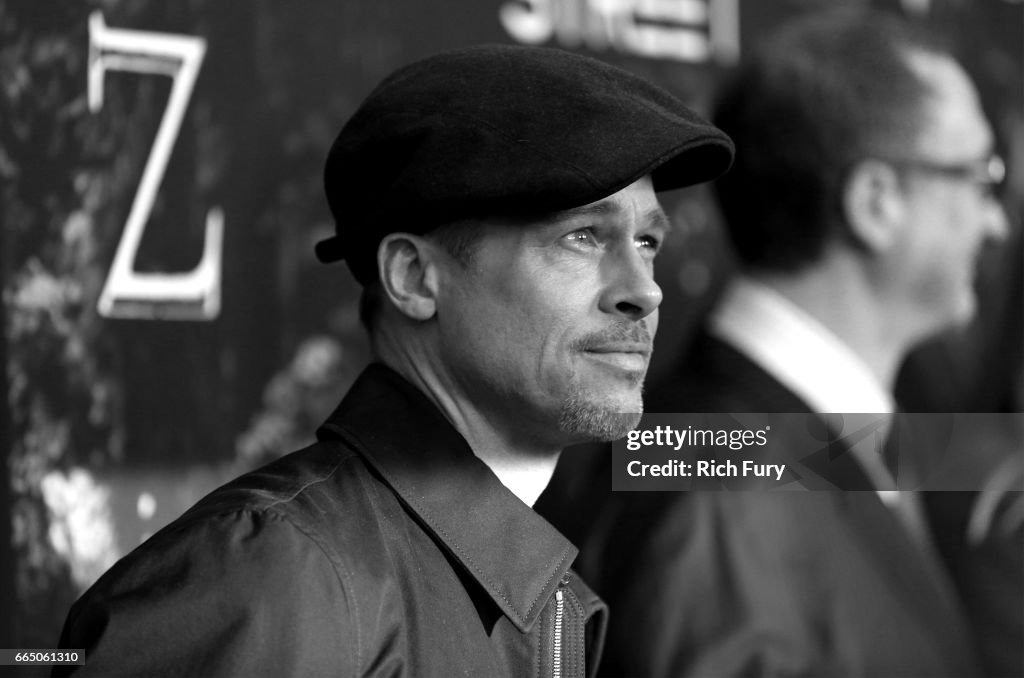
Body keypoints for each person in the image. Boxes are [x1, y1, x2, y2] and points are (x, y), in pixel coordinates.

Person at [52, 44, 733, 677]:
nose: (644, 290)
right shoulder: (276, 577)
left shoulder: (529, 589)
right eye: (583, 236)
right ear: (413, 277)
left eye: (647, 241)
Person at [559, 9, 1008, 677]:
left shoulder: (781, 447)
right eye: (979, 177)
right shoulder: (711, 482)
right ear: (876, 203)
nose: (995, 221)